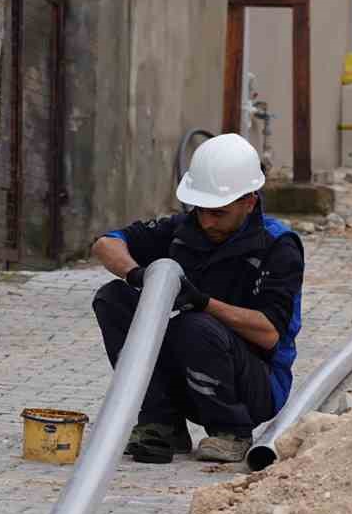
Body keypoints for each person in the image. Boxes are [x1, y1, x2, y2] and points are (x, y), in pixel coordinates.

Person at [90, 134, 304, 464]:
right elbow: (106, 244)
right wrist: (137, 275)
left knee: (195, 324)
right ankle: (161, 424)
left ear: (249, 202)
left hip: (254, 385)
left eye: (218, 213)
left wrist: (203, 302)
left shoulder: (277, 246)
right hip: (192, 371)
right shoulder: (183, 229)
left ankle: (230, 431)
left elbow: (269, 333)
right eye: (200, 210)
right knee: (113, 298)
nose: (206, 221)